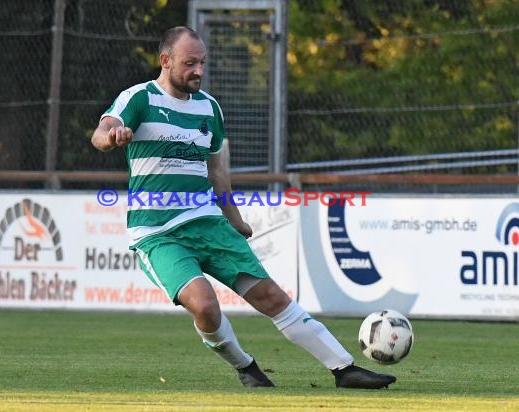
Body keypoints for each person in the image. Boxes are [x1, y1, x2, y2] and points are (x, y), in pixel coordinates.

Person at [91, 26, 396, 389]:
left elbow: (218, 171)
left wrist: (234, 219)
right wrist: (112, 136)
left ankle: (344, 369)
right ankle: (246, 366)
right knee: (204, 306)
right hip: (156, 233)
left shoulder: (209, 108)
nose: (198, 71)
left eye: (202, 63)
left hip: (206, 222)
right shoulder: (139, 98)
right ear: (165, 60)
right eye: (190, 63)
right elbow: (102, 130)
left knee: (271, 296)